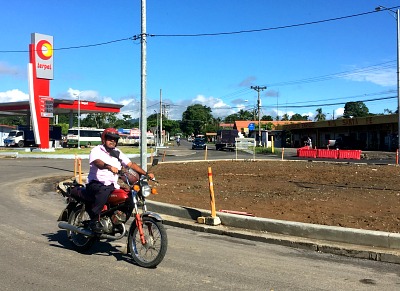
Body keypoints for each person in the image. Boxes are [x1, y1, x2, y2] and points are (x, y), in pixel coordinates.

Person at [86, 128, 154, 233]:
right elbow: (97, 162)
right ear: (104, 139)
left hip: (112, 185)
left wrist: (146, 174)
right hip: (96, 183)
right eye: (110, 138)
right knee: (104, 191)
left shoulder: (117, 152)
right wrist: (108, 167)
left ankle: (117, 222)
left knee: (130, 196)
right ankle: (94, 221)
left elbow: (131, 164)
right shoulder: (97, 150)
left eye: (115, 139)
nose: (112, 141)